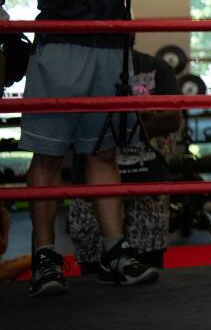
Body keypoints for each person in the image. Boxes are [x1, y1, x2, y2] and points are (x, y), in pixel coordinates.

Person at [10, 0, 157, 296]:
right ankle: (45, 257)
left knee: (103, 153)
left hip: (111, 47)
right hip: (61, 44)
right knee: (49, 157)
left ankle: (114, 252)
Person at [67, 47, 182, 272]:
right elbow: (68, 123)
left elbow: (173, 119)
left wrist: (117, 128)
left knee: (149, 263)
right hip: (91, 184)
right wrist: (141, 118)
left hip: (146, 180)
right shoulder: (80, 67)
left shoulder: (156, 67)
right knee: (93, 266)